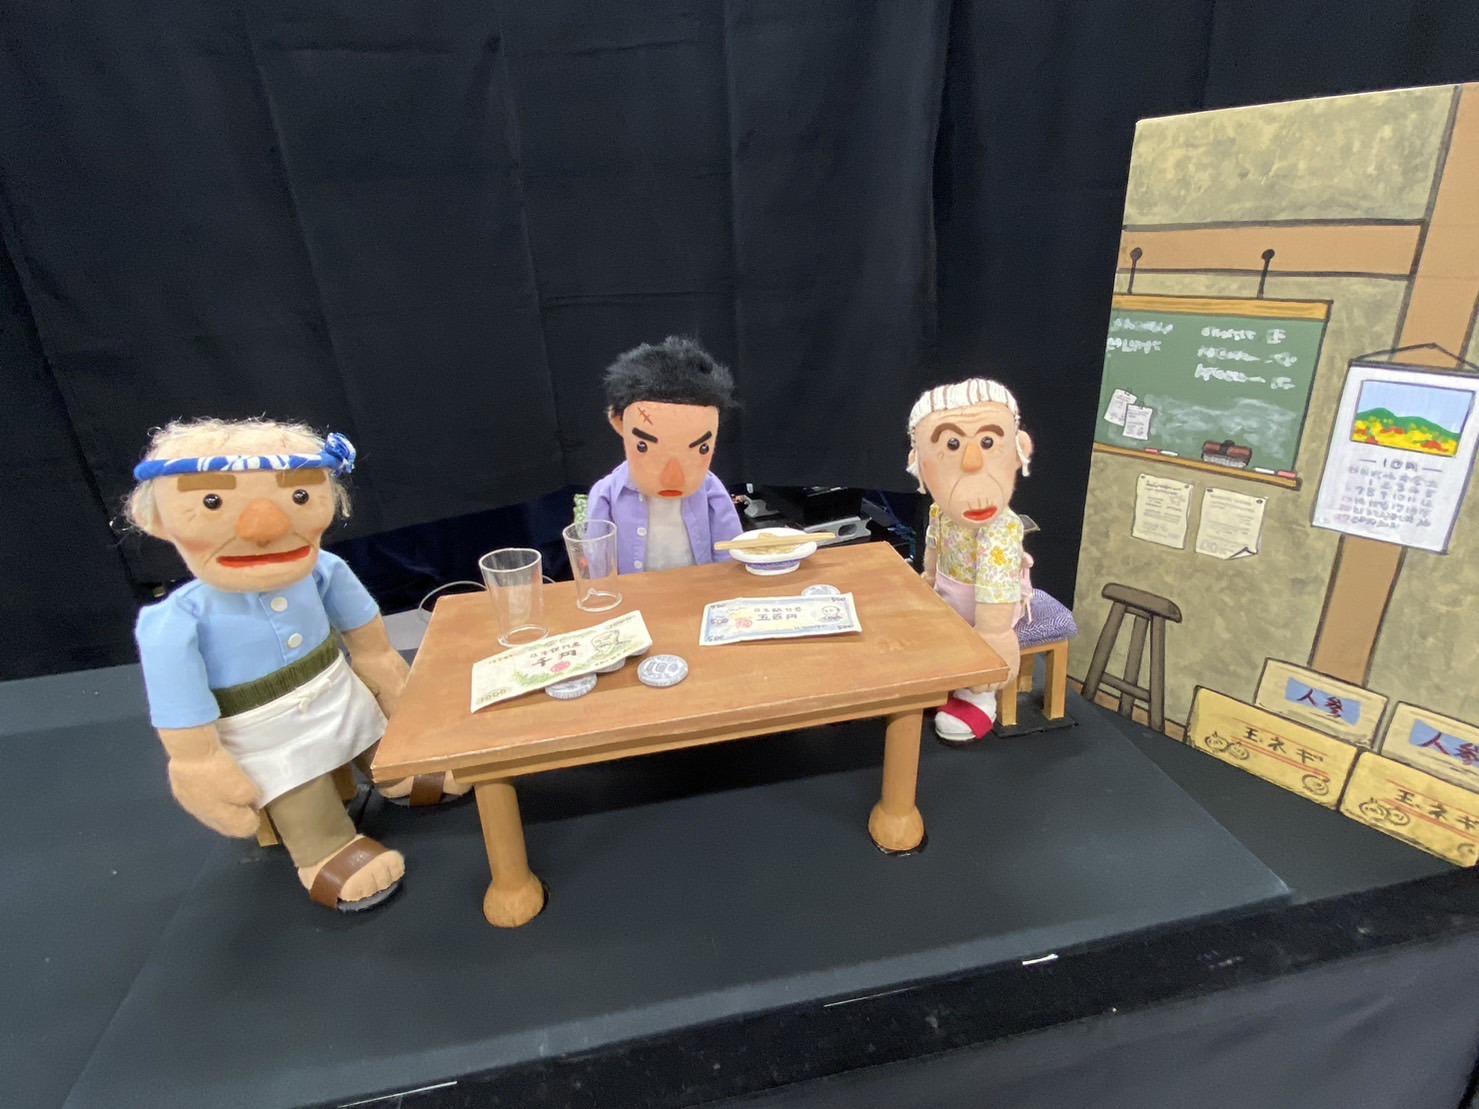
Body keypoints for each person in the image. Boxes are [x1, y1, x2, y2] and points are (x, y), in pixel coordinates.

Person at [128, 418, 465, 911]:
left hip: (335, 686)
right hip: (263, 729)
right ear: (159, 519)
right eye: (213, 502)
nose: (265, 527)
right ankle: (326, 847)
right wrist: (198, 762)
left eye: (300, 496)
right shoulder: (176, 621)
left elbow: (366, 636)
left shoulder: (323, 570)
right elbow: (179, 706)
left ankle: (397, 774)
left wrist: (381, 666)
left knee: (372, 728)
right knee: (295, 783)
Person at [907, 379, 1034, 743]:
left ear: (1018, 450)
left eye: (988, 442)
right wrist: (928, 581)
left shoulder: (1000, 528)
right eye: (952, 445)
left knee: (976, 638)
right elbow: (934, 547)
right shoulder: (940, 512)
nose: (972, 461)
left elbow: (997, 588)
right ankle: (942, 679)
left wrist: (995, 637)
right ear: (919, 464)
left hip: (992, 609)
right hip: (950, 596)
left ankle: (977, 696)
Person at [588, 336, 744, 573]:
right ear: (619, 424)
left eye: (702, 448)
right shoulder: (607, 494)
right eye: (643, 446)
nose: (673, 477)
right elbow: (598, 565)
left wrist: (725, 586)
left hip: (698, 591)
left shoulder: (710, 489)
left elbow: (730, 552)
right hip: (635, 593)